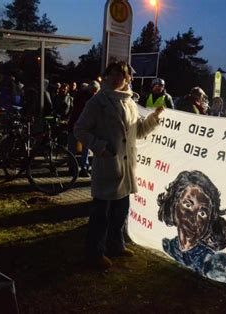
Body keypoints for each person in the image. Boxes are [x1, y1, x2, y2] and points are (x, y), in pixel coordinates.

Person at [74, 61, 164, 269]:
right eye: (111, 74)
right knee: (100, 215)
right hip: (108, 166)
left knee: (120, 213)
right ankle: (94, 253)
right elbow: (80, 129)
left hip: (126, 169)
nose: (115, 79)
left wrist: (154, 118)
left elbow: (138, 132)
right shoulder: (98, 102)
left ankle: (116, 245)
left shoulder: (130, 102)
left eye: (120, 75)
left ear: (128, 79)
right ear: (105, 77)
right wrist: (100, 147)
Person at [157, 170, 226, 285]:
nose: (193, 218)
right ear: (174, 205)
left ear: (210, 221)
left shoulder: (215, 264)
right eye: (188, 205)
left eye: (202, 213)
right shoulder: (168, 247)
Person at [67, 81, 100, 177]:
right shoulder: (91, 99)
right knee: (85, 148)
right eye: (94, 91)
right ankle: (84, 168)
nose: (95, 93)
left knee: (72, 147)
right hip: (84, 126)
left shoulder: (78, 95)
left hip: (73, 124)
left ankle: (72, 168)